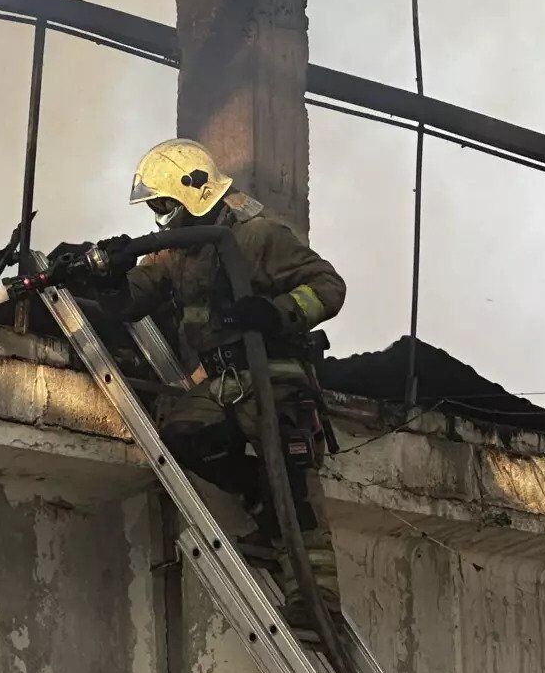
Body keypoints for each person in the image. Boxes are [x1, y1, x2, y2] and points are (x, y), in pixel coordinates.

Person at [48, 138, 347, 631]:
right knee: (184, 436)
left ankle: (317, 608)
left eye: (165, 204)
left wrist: (276, 312)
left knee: (294, 484)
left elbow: (329, 286)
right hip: (227, 382)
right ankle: (264, 508)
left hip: (276, 379)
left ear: (192, 192)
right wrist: (105, 274)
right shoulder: (178, 253)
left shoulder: (258, 236)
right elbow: (134, 300)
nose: (161, 217)